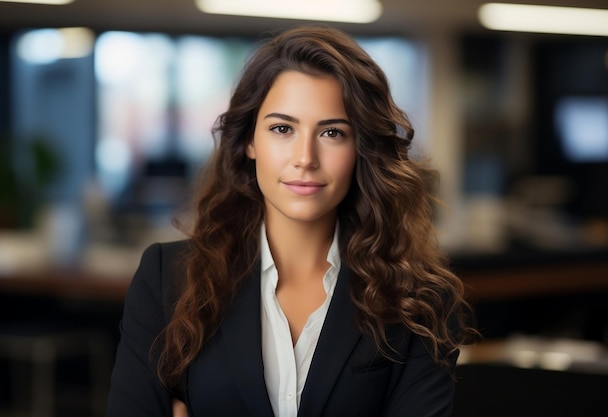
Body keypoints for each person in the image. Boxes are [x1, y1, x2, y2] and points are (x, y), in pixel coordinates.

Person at [105, 25, 478, 417]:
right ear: (250, 141)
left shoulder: (420, 300)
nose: (305, 157)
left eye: (332, 132)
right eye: (282, 129)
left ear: (361, 148)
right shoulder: (166, 279)